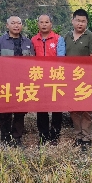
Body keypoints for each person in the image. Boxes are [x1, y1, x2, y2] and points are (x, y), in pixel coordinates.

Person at [0, 16, 35, 148]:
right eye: (13, 23)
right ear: (7, 25)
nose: (16, 25)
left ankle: (17, 137)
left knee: (20, 111)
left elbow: (32, 61)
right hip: (5, 82)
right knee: (5, 111)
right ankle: (5, 137)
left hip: (22, 82)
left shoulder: (27, 42)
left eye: (19, 23)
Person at [64, 9, 92, 151]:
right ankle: (78, 136)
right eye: (78, 20)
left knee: (86, 109)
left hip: (86, 79)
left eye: (83, 21)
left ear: (87, 23)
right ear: (72, 21)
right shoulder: (66, 37)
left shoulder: (91, 37)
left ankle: (86, 138)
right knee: (73, 109)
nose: (80, 23)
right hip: (70, 79)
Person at [30, 14, 65, 146]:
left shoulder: (58, 39)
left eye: (47, 22)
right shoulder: (33, 40)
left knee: (56, 108)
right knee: (41, 108)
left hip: (55, 77)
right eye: (41, 22)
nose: (44, 24)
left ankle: (55, 136)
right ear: (38, 24)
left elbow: (61, 58)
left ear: (51, 24)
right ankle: (43, 136)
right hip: (39, 78)